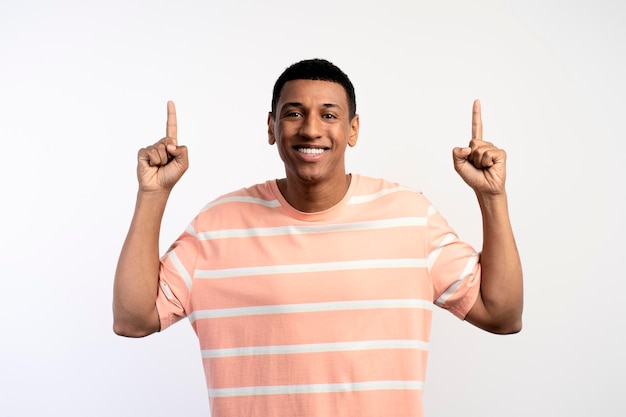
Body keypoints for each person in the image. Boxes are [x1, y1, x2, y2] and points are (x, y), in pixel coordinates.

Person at [113, 58, 523, 417]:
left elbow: (501, 314)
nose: (311, 129)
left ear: (352, 130)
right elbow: (133, 319)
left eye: (329, 115)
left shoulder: (410, 216)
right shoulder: (217, 225)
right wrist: (153, 194)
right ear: (271, 127)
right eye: (294, 113)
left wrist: (492, 197)